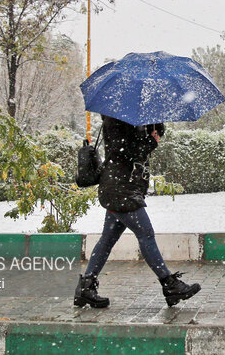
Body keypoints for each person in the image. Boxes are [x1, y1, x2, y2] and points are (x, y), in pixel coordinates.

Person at [74, 115, 201, 308]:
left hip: (122, 188)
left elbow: (138, 146)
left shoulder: (134, 116)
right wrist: (151, 140)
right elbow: (126, 151)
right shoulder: (117, 119)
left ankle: (86, 288)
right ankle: (169, 285)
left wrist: (155, 128)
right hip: (120, 189)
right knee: (145, 234)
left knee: (107, 239)